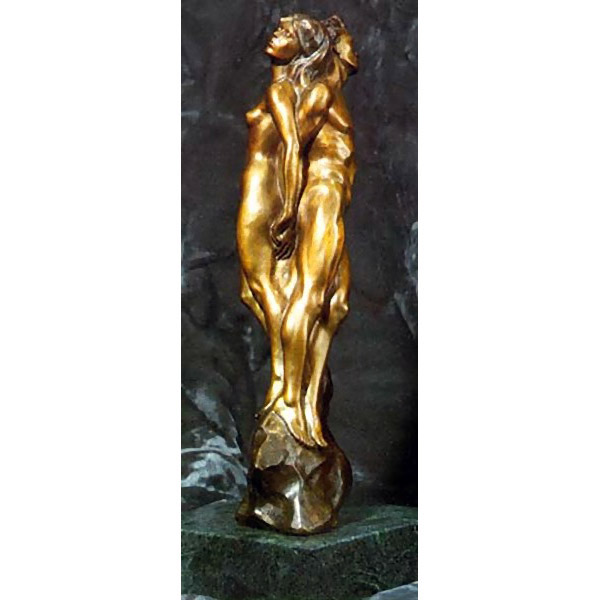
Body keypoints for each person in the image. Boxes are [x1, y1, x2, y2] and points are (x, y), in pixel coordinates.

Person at [237, 14, 358, 447]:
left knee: (331, 302)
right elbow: (293, 149)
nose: (276, 32)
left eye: (288, 31)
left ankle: (300, 394)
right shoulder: (292, 92)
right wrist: (288, 208)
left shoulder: (314, 89)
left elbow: (296, 148)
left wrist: (291, 206)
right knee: (272, 292)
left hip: (316, 197)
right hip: (289, 197)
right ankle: (288, 395)